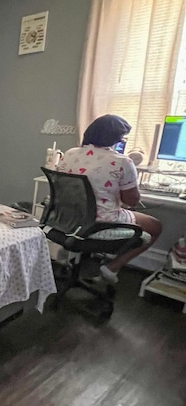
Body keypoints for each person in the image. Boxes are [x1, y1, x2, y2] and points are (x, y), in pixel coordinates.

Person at [56, 113, 162, 284]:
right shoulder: (122, 162)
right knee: (155, 226)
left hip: (69, 218)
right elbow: (132, 201)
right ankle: (112, 268)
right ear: (117, 139)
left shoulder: (70, 153)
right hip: (99, 223)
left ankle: (68, 250)